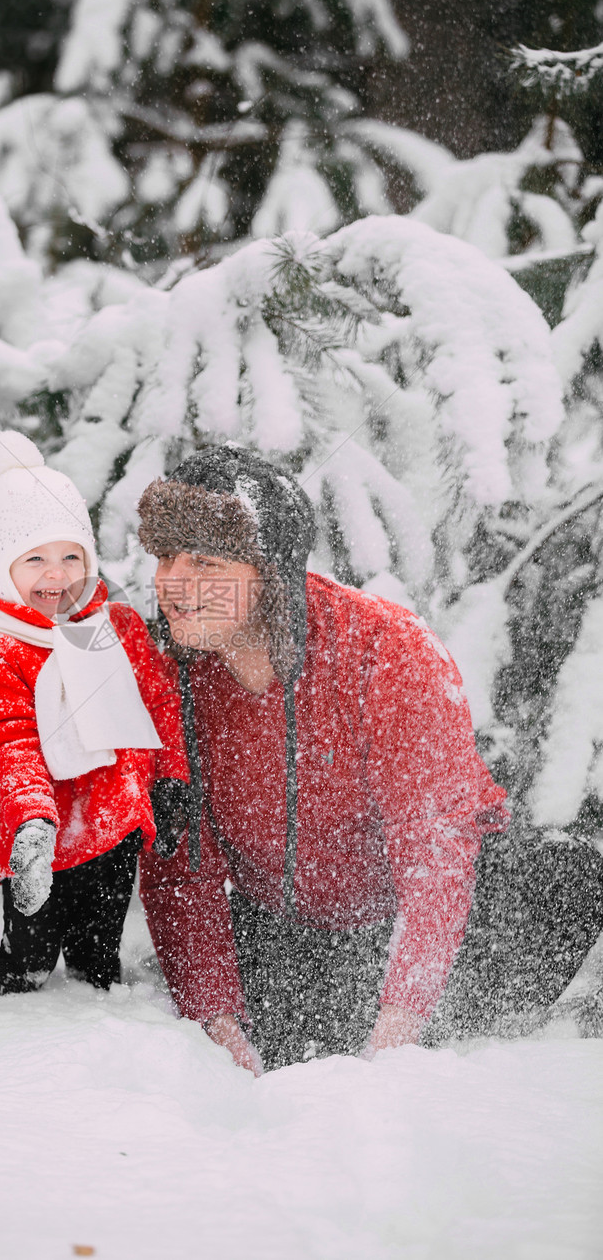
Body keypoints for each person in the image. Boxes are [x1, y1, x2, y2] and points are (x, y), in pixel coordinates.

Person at [137, 445, 509, 1073]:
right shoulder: (169, 676)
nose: (175, 583)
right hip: (287, 926)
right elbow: (181, 872)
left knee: (562, 888)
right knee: (282, 1041)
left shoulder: (387, 651)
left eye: (204, 560)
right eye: (166, 557)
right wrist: (221, 1032)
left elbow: (436, 857)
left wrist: (398, 1039)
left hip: (428, 918)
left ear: (270, 573)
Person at [0, 431, 187, 995]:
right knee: (30, 953)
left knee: (97, 953)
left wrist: (173, 777)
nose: (56, 575)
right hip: (41, 837)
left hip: (115, 824)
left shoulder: (118, 628)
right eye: (34, 559)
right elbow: (12, 741)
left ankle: (98, 1037)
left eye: (70, 556)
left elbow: (160, 701)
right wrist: (31, 820)